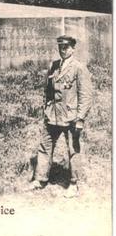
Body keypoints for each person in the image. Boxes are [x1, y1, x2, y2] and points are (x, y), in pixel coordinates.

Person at [30, 35, 93, 197]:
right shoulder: (54, 66)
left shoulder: (79, 68)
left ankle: (74, 183)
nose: (63, 50)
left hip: (70, 117)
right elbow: (48, 90)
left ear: (73, 48)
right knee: (45, 146)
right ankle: (40, 179)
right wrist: (46, 109)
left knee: (73, 150)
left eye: (66, 47)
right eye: (60, 47)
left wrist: (80, 118)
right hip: (52, 115)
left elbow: (86, 95)